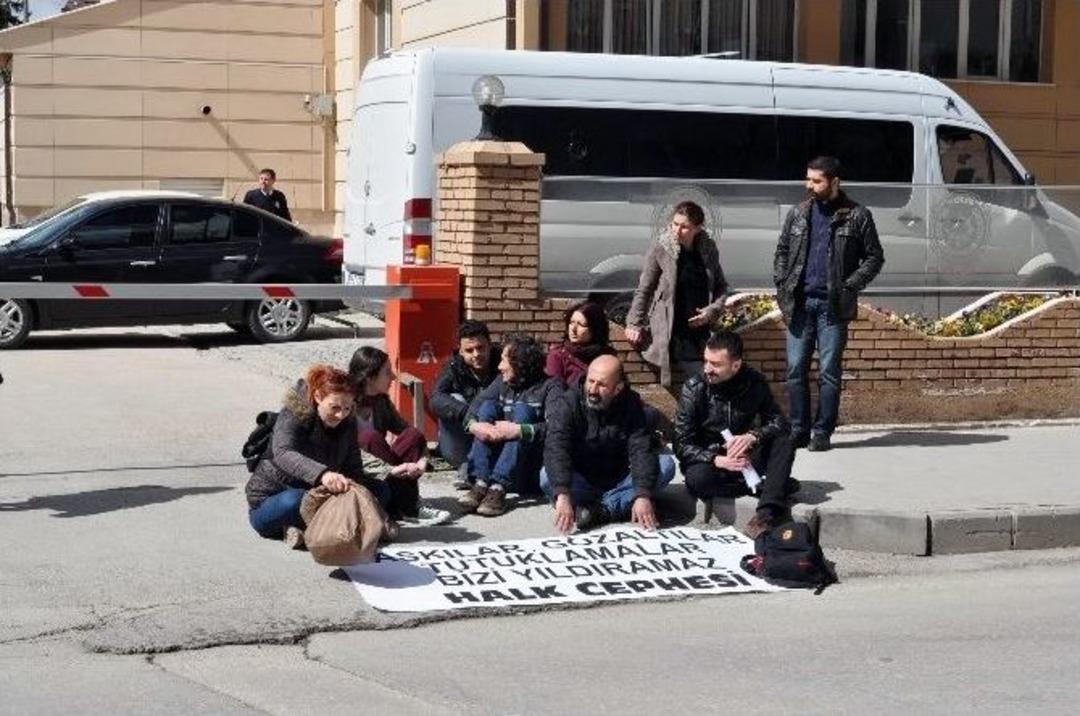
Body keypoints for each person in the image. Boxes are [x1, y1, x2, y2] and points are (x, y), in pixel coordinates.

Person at [774, 156, 884, 452]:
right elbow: (783, 250)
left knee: (828, 372)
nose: (809, 185)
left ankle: (822, 432)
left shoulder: (858, 215)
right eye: (807, 179)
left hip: (832, 308)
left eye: (816, 180)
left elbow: (874, 257)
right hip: (799, 304)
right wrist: (782, 282)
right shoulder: (798, 214)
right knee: (796, 369)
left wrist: (849, 285)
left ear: (835, 182)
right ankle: (799, 429)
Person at [245, 364, 393, 549]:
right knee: (296, 500)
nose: (340, 415)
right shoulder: (294, 413)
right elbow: (284, 452)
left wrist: (354, 487)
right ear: (317, 397)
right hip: (275, 496)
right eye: (334, 408)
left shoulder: (347, 420)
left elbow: (353, 463)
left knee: (380, 491)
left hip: (320, 492)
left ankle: (311, 529)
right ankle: (300, 528)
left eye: (347, 408)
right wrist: (323, 475)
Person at [673, 331, 799, 539]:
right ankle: (767, 488)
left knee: (784, 440)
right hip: (712, 463)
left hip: (746, 457)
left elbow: (779, 423)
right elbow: (681, 443)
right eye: (706, 361)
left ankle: (765, 514)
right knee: (697, 479)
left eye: (715, 364)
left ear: (736, 365)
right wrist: (716, 459)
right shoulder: (694, 388)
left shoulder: (754, 382)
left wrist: (753, 436)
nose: (707, 369)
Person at [542, 354, 677, 533]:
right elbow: (556, 447)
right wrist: (563, 494)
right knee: (546, 478)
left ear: (618, 388)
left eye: (602, 385)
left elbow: (641, 449)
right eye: (591, 381)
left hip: (619, 480)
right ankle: (620, 506)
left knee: (666, 466)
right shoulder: (569, 402)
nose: (592, 390)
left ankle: (599, 511)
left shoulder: (631, 404)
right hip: (582, 481)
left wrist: (642, 494)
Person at [624, 200, 729, 387]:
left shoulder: (707, 249)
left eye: (684, 226)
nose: (677, 230)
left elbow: (721, 287)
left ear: (697, 228)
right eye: (674, 224)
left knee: (717, 377)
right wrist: (634, 323)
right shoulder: (661, 248)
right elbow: (645, 288)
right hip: (675, 329)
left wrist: (711, 311)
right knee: (702, 382)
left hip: (702, 330)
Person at [459, 334, 562, 517]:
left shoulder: (551, 387)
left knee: (523, 411)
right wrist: (476, 427)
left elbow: (558, 428)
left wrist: (519, 430)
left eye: (504, 361)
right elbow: (472, 410)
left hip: (528, 468)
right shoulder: (502, 382)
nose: (499, 367)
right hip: (496, 463)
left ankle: (498, 488)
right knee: (487, 407)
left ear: (520, 364)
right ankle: (481, 483)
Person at [347, 347, 450, 526]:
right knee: (370, 437)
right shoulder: (344, 403)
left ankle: (406, 506)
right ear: (369, 377)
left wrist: (423, 459)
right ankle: (405, 505)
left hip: (383, 470)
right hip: (355, 470)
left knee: (413, 435)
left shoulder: (381, 401)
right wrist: (392, 469)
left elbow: (407, 431)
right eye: (387, 373)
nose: (393, 377)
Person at [430, 320, 499, 473]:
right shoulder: (453, 367)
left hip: (494, 436)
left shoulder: (503, 365)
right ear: (460, 351)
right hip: (462, 441)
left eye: (481, 348)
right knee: (454, 398)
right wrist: (467, 413)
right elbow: (435, 399)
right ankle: (467, 465)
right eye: (469, 350)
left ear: (490, 344)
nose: (476, 354)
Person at [545, 300, 617, 387]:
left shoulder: (607, 356)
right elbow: (555, 393)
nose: (573, 329)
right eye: (571, 323)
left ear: (595, 329)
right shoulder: (558, 356)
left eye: (581, 325)